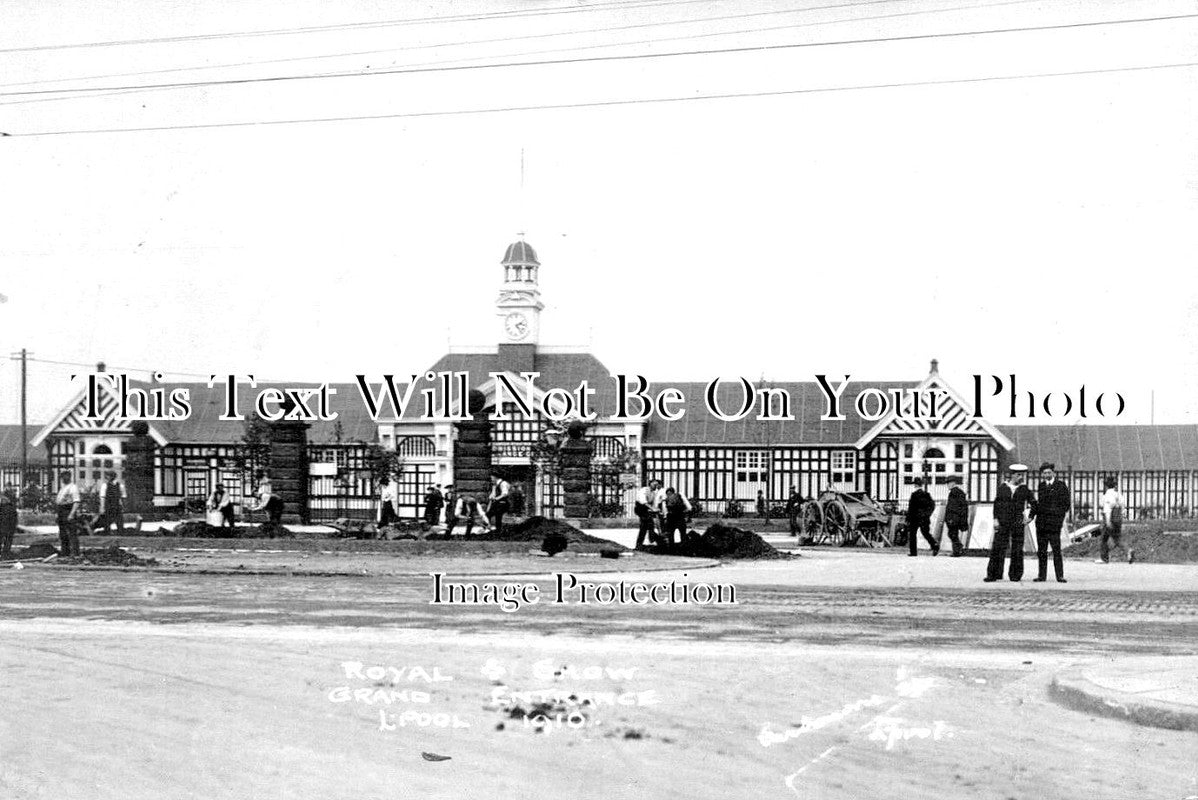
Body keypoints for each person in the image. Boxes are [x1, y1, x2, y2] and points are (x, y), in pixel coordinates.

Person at [986, 465, 1036, 582]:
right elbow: (997, 504)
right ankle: (994, 574)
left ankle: (1015, 575)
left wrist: (1030, 517)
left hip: (1017, 521)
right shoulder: (1003, 487)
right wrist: (995, 519)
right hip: (1003, 520)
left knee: (1017, 548)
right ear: (1012, 475)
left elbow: (1034, 503)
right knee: (998, 547)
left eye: (1022, 475)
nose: (1021, 477)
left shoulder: (1024, 489)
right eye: (1018, 475)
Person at [1033, 462, 1071, 583]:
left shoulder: (1060, 485)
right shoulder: (1041, 486)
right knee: (1042, 551)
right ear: (1042, 475)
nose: (1047, 474)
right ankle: (1041, 575)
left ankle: (1059, 575)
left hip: (1054, 524)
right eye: (1044, 473)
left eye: (1049, 472)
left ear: (1053, 473)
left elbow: (1066, 504)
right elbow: (1039, 504)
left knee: (1056, 550)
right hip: (1042, 524)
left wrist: (1059, 519)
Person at [1097, 476, 1126, 564]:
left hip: (1109, 519)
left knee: (1103, 539)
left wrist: (1108, 521)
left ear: (1106, 486)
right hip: (1118, 519)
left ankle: (1104, 558)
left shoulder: (1107, 496)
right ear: (1114, 486)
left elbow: (1107, 510)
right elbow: (1123, 508)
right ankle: (1128, 551)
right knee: (1117, 538)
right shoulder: (1119, 495)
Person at [905, 478, 938, 556]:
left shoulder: (914, 495)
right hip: (924, 518)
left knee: (912, 534)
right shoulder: (927, 494)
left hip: (915, 518)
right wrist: (927, 514)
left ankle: (913, 552)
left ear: (916, 485)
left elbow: (911, 508)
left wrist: (908, 518)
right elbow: (932, 506)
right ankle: (935, 545)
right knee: (926, 533)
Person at [54, 471, 82, 557]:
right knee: (63, 533)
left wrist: (71, 514)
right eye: (61, 477)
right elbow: (59, 501)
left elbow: (76, 502)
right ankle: (65, 552)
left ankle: (75, 553)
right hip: (61, 511)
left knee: (72, 533)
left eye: (64, 477)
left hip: (68, 510)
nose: (62, 479)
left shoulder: (73, 487)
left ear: (68, 477)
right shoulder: (63, 488)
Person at [92, 470, 126, 534]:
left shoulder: (120, 486)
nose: (107, 477)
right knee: (107, 523)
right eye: (107, 476)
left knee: (119, 523)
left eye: (108, 476)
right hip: (108, 506)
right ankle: (107, 534)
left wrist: (123, 507)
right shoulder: (105, 486)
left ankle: (121, 535)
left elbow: (123, 497)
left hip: (117, 507)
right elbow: (102, 497)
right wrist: (102, 508)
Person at [633, 478, 663, 549]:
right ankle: (643, 542)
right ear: (650, 484)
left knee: (649, 525)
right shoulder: (644, 490)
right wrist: (652, 508)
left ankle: (651, 539)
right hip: (640, 508)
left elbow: (654, 503)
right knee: (646, 524)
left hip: (647, 509)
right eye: (654, 484)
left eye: (656, 485)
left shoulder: (654, 493)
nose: (655, 486)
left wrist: (656, 509)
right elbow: (643, 502)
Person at [943, 477, 968, 557]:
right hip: (957, 517)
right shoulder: (959, 492)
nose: (947, 485)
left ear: (953, 483)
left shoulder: (954, 493)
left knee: (952, 533)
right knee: (953, 533)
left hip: (953, 518)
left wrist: (950, 518)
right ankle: (957, 548)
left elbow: (952, 507)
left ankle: (956, 551)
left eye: (948, 483)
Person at [0, 491, 17, 560]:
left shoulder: (1, 508)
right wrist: (13, 528)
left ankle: (4, 555)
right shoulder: (12, 508)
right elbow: (15, 519)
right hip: (9, 529)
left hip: (2, 528)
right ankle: (5, 555)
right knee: (8, 542)